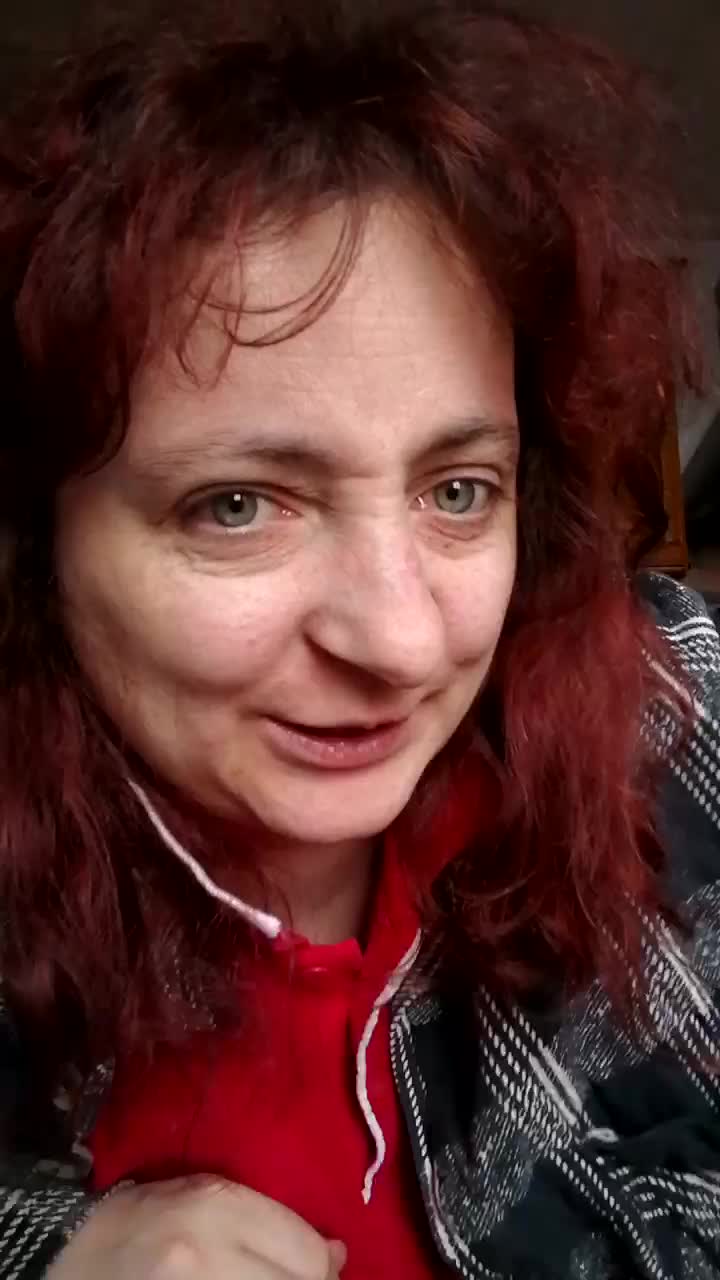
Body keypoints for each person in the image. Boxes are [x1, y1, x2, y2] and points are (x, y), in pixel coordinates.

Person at [0, 1, 718, 1276]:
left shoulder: (673, 708)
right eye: (238, 505)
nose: (401, 641)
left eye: (459, 489)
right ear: (37, 538)